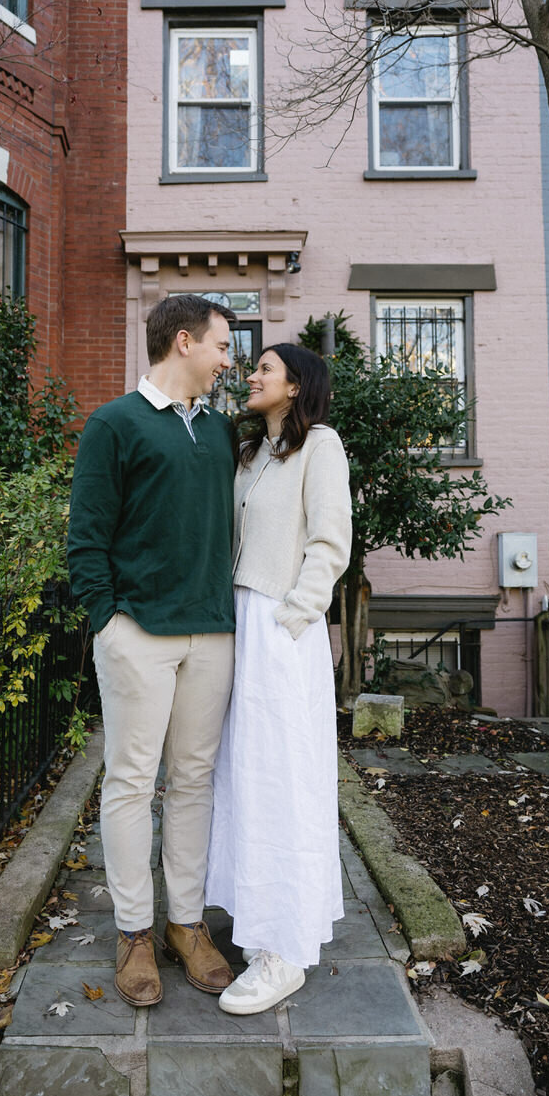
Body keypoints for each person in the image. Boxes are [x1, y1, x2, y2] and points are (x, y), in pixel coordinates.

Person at [67, 294, 239, 1008]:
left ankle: (184, 923)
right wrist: (109, 621)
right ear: (185, 342)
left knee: (195, 780)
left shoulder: (224, 432)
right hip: (138, 631)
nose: (228, 360)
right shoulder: (115, 423)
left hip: (212, 632)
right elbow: (87, 537)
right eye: (223, 346)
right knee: (133, 781)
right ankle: (134, 931)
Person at [205, 342, 352, 1015]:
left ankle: (283, 952)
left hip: (281, 630)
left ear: (296, 386)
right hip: (240, 621)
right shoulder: (252, 454)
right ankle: (254, 918)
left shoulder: (320, 446)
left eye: (265, 368)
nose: (252, 375)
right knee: (245, 776)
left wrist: (293, 619)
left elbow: (330, 542)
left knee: (283, 778)